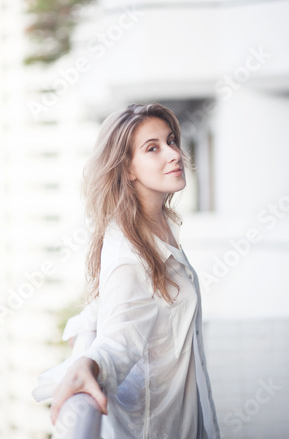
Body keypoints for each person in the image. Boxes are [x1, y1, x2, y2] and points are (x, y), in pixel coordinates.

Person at [32, 102, 220, 439]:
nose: (173, 154)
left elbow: (113, 306)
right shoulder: (128, 255)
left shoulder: (157, 227)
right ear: (128, 168)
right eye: (153, 148)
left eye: (171, 140)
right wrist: (89, 363)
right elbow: (118, 342)